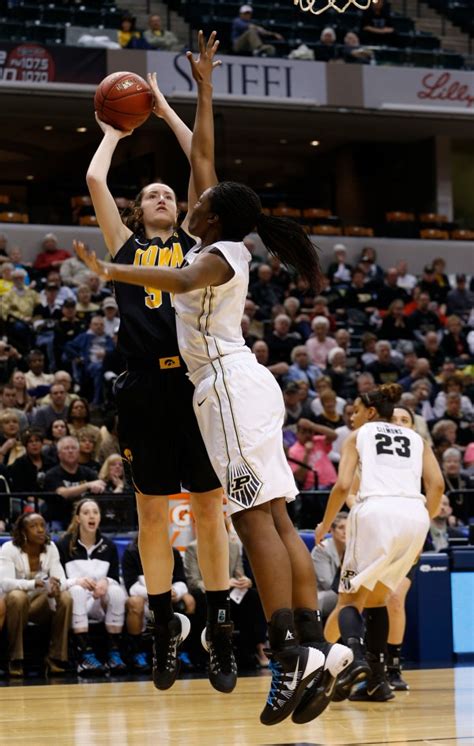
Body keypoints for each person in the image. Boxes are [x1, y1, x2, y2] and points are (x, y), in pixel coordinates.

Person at [76, 32, 353, 726]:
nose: (187, 197)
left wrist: (112, 271)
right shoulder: (219, 236)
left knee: (249, 517)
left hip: (225, 389)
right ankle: (314, 647)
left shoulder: (211, 254)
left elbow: (177, 272)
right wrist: (195, 94)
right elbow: (203, 155)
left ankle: (290, 653)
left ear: (211, 215)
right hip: (230, 386)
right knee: (277, 517)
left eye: (194, 199)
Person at [84, 38, 234, 697]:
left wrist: (171, 106)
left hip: (195, 383)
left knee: (208, 508)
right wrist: (115, 129)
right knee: (152, 514)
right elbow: (95, 181)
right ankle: (164, 627)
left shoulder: (200, 241)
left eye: (169, 192)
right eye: (151, 194)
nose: (163, 197)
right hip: (145, 386)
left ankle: (220, 626)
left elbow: (203, 162)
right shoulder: (126, 246)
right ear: (139, 212)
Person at [315, 384, 443, 702]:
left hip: (376, 511)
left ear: (371, 412)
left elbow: (343, 485)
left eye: (355, 411)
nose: (353, 417)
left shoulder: (357, 436)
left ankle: (356, 659)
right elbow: (437, 486)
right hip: (415, 515)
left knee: (348, 600)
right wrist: (423, 519)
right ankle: (377, 681)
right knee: (377, 599)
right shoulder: (417, 438)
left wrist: (326, 524)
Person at [56, 499, 127, 675]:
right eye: (86, 512)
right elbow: (57, 580)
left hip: (98, 602)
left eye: (95, 512)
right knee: (78, 591)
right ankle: (85, 655)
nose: (91, 516)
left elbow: (115, 578)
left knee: (117, 592)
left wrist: (106, 582)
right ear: (78, 518)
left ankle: (114, 654)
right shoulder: (64, 545)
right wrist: (76, 581)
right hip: (74, 601)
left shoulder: (108, 546)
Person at [0, 513, 72, 676]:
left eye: (42, 525)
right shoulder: (9, 549)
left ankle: (55, 658)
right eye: (33, 526)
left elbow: (61, 578)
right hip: (15, 606)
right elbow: (5, 583)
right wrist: (32, 584)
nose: (40, 530)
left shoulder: (51, 547)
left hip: (40, 604)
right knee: (18, 596)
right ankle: (15, 659)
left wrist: (56, 586)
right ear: (23, 532)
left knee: (66, 597)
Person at [122, 536, 194, 672]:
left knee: (189, 600)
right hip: (145, 599)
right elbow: (131, 587)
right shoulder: (131, 552)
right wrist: (158, 593)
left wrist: (176, 592)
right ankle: (138, 652)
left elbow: (181, 581)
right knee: (135, 603)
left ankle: (182, 650)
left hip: (168, 599)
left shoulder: (173, 552)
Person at [43, 436, 106, 528]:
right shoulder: (52, 474)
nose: (70, 451)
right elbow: (63, 493)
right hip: (58, 519)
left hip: (85, 518)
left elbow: (100, 485)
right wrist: (87, 485)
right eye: (66, 448)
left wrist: (100, 487)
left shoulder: (88, 472)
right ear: (59, 454)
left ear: (78, 452)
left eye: (73, 448)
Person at [311, 512, 347, 617]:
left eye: (349, 528)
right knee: (349, 597)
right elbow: (328, 584)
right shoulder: (321, 549)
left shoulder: (352, 549)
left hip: (341, 593)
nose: (345, 532)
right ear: (331, 530)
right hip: (321, 596)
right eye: (341, 528)